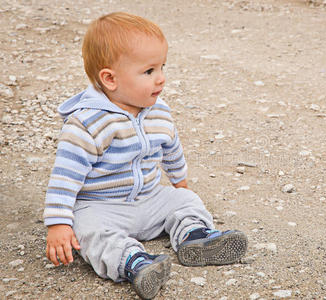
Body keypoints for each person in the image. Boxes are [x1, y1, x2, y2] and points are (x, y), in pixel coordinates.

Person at [43, 12, 248, 300]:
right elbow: (65, 176)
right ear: (110, 79)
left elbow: (171, 148)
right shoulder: (88, 124)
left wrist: (181, 183)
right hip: (101, 206)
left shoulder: (158, 110)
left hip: (149, 200)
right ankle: (132, 262)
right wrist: (58, 223)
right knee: (87, 230)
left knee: (185, 201)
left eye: (162, 67)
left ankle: (193, 236)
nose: (161, 79)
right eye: (149, 71)